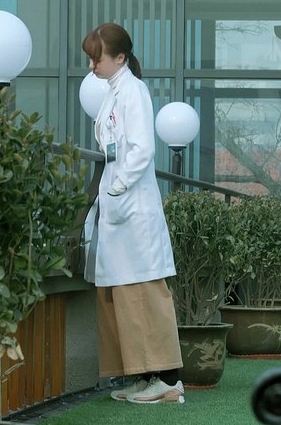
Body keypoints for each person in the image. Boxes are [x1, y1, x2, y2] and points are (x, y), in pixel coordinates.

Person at [81, 23, 185, 404]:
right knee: (120, 293)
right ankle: (144, 377)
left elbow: (142, 149)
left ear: (120, 58)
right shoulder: (113, 92)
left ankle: (168, 381)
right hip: (117, 206)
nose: (92, 66)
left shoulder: (134, 91)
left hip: (132, 205)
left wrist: (120, 184)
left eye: (97, 58)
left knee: (143, 291)